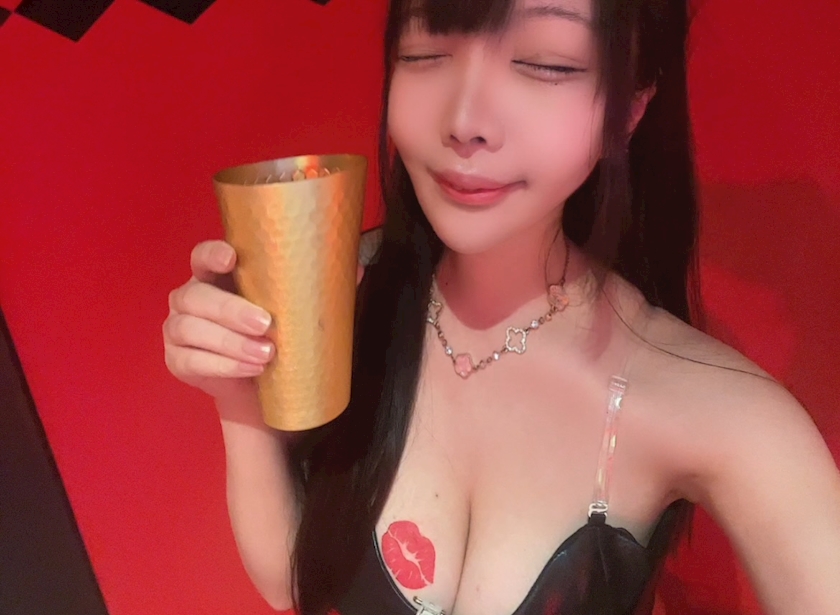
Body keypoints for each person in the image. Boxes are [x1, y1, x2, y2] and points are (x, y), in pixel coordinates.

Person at [162, 0, 840, 613]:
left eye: (546, 63)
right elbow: (294, 581)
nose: (465, 122)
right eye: (425, 51)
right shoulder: (351, 296)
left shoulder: (720, 412)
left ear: (631, 108)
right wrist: (238, 398)